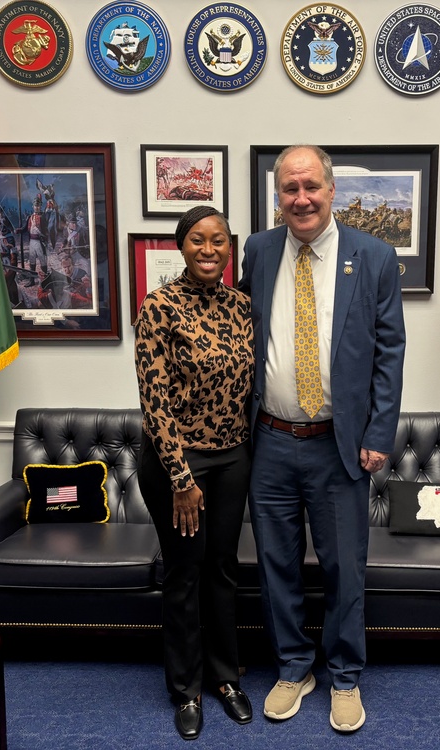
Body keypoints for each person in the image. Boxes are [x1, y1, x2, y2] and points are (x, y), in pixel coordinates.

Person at [240, 144, 406, 733]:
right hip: (270, 443)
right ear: (277, 196)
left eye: (311, 186)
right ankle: (292, 667)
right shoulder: (258, 251)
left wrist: (379, 433)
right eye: (290, 189)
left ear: (331, 190)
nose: (301, 198)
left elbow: (390, 354)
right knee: (275, 564)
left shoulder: (375, 256)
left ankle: (344, 675)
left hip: (341, 445)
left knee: (344, 569)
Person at [135, 206, 255, 740]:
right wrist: (182, 479)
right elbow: (154, 402)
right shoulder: (159, 306)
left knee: (223, 569)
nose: (210, 250)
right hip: (176, 462)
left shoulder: (242, 307)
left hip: (232, 458)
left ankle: (226, 678)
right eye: (198, 241)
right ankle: (186, 688)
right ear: (181, 246)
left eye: (220, 241)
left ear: (231, 248)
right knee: (184, 574)